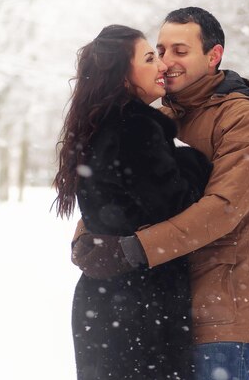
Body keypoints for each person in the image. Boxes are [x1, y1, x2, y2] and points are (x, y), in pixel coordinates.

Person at [71, 7, 249, 380]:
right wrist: (87, 237)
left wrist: (134, 249)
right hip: (160, 308)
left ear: (213, 56)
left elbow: (223, 210)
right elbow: (121, 190)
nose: (166, 62)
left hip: (218, 316)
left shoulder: (243, 119)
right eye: (160, 50)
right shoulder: (163, 115)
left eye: (180, 51)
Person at [53, 24, 212, 380]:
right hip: (140, 306)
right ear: (124, 76)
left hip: (103, 299)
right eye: (150, 57)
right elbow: (176, 205)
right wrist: (194, 161)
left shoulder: (95, 125)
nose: (162, 66)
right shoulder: (135, 127)